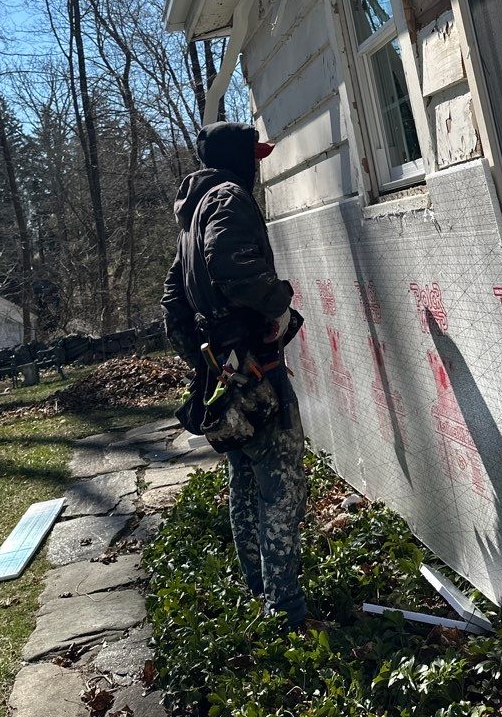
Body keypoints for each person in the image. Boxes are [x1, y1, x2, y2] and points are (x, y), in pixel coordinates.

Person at [161, 121, 308, 629]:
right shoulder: (228, 197)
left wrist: (207, 362)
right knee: (283, 490)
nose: (259, 167)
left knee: (244, 482)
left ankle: (258, 593)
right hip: (258, 374)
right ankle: (285, 614)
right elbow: (235, 269)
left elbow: (172, 307)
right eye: (255, 157)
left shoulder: (190, 216)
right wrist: (280, 308)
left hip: (227, 380)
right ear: (239, 159)